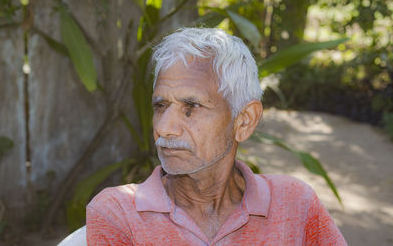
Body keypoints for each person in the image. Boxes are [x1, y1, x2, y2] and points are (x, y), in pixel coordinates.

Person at [86, 28, 347, 245]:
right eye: (160, 106)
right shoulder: (117, 213)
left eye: (191, 107)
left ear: (244, 121)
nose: (164, 128)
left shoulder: (295, 204)